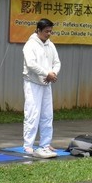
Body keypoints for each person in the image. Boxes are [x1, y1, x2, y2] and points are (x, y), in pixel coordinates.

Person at [22, 17, 61, 158]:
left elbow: (57, 62)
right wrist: (46, 73)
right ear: (38, 30)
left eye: (50, 31)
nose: (49, 34)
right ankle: (28, 145)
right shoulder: (30, 45)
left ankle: (45, 144)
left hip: (46, 84)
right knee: (32, 114)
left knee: (47, 115)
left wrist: (53, 73)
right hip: (33, 83)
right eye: (46, 31)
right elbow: (31, 64)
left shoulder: (51, 45)